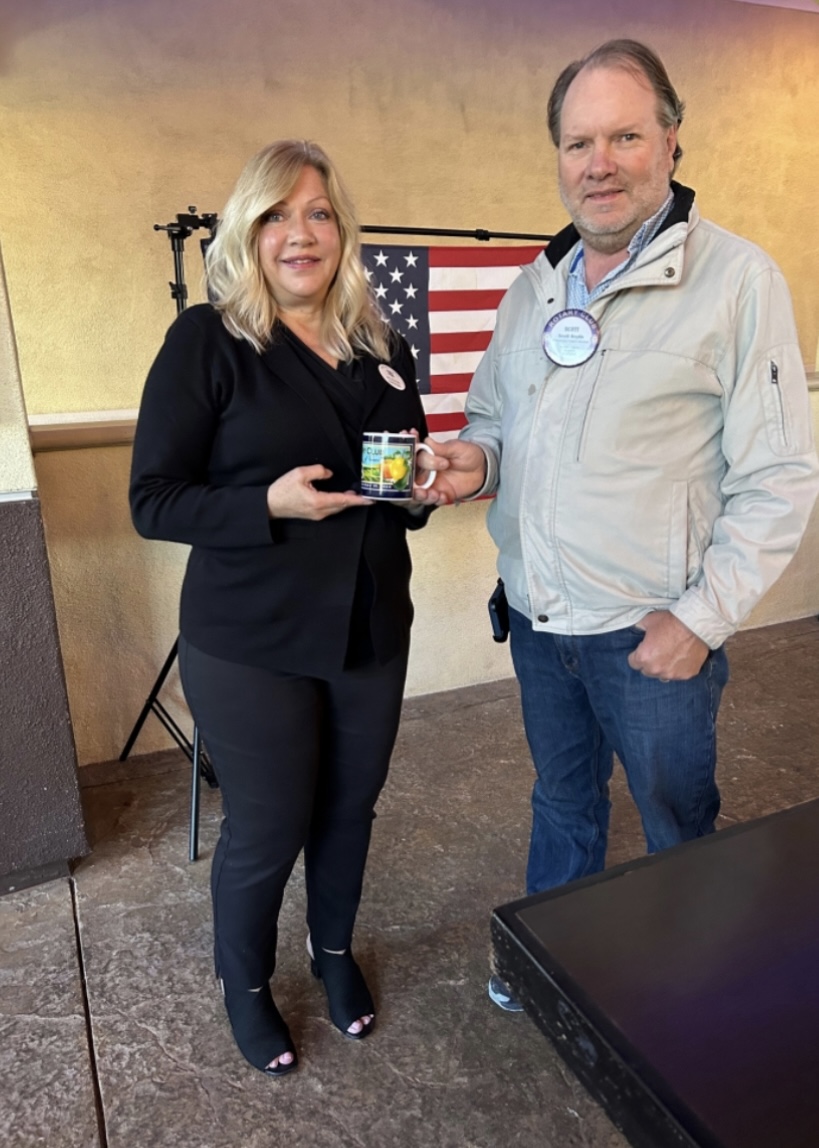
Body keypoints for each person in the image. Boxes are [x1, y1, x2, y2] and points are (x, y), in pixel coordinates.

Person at [414, 39, 819, 1010]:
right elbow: (497, 423)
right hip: (541, 621)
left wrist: (701, 617)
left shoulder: (736, 281)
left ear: (670, 142)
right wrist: (479, 460)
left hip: (650, 633)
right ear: (558, 156)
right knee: (561, 800)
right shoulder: (534, 287)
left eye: (624, 135)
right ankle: (560, 960)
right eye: (579, 140)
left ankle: (692, 974)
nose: (599, 160)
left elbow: (779, 473)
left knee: (677, 812)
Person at [130, 140, 432, 1074]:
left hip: (370, 626)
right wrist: (265, 502)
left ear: (342, 229)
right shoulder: (208, 341)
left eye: (318, 213)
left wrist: (425, 484)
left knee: (350, 809)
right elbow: (153, 500)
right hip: (251, 636)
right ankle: (247, 985)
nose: (299, 233)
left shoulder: (383, 344)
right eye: (275, 215)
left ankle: (332, 953)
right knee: (268, 824)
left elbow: (399, 485)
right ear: (246, 233)